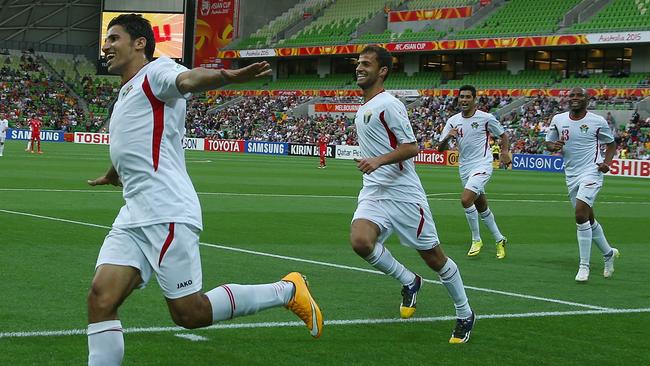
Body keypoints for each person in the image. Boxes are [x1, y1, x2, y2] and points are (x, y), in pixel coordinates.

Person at [86, 14, 322, 366]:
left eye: (114, 37)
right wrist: (113, 172)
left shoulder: (157, 72)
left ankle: (286, 290)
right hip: (134, 212)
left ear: (139, 43)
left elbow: (188, 79)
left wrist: (229, 75)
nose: (106, 46)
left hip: (165, 211)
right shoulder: (127, 89)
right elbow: (132, 141)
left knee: (190, 313)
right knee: (100, 300)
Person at [350, 45, 474, 344]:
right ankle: (409, 280)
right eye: (358, 63)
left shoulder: (389, 104)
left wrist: (377, 161)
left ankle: (465, 313)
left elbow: (412, 147)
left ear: (382, 71)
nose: (359, 67)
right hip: (375, 190)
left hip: (403, 193)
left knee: (434, 258)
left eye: (366, 63)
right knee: (360, 241)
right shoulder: (364, 107)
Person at [545, 87, 619, 283]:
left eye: (579, 96)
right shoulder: (558, 119)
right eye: (572, 96)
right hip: (571, 174)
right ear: (567, 99)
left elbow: (611, 144)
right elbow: (548, 143)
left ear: (587, 99)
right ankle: (608, 253)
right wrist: (554, 146)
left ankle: (584, 266)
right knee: (588, 219)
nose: (575, 98)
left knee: (579, 214)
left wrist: (607, 163)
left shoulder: (597, 121)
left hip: (592, 171)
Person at [437, 85, 510, 259]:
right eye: (461, 97)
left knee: (465, 199)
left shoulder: (486, 118)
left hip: (482, 165)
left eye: (468, 97)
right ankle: (500, 239)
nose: (464, 100)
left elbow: (504, 135)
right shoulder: (453, 121)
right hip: (464, 168)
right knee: (481, 206)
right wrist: (449, 136)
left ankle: (476, 239)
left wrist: (505, 152)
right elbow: (440, 149)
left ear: (474, 99)